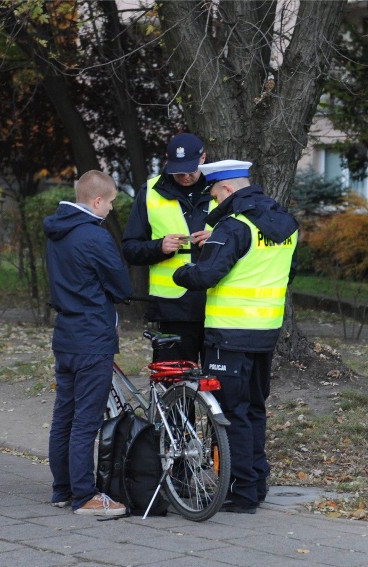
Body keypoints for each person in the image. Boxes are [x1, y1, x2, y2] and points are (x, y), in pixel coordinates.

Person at [172, 159, 298, 514]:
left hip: (228, 337)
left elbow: (207, 275)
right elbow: (287, 273)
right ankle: (256, 483)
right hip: (264, 334)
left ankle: (242, 493)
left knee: (231, 413)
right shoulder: (285, 223)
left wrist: (183, 272)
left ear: (227, 190)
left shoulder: (233, 226)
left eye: (213, 194)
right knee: (254, 409)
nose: (212, 202)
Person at [44, 170, 132, 516]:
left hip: (65, 334)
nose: (111, 208)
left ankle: (62, 489)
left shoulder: (57, 231)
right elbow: (122, 286)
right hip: (92, 336)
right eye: (109, 202)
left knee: (64, 416)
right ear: (97, 201)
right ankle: (85, 496)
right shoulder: (95, 237)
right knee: (86, 421)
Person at [122, 133, 214, 364]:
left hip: (219, 303)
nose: (184, 176)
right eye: (178, 170)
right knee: (174, 383)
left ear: (203, 158)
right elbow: (130, 249)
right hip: (174, 308)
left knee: (218, 386)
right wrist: (159, 247)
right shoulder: (150, 191)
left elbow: (246, 237)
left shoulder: (221, 188)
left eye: (190, 169)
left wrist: (219, 237)